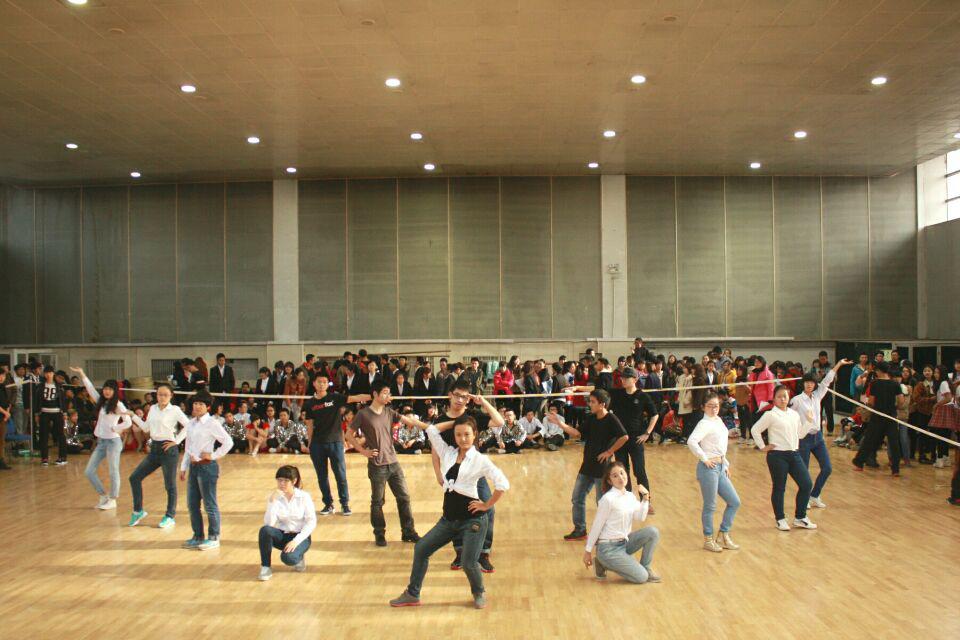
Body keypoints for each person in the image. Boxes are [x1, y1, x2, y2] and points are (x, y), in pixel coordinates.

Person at [389, 414, 509, 609]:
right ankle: (412, 594)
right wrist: (456, 422)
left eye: (467, 434)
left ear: (475, 434)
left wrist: (486, 505)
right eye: (458, 434)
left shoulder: (480, 460)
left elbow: (502, 483)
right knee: (421, 549)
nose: (463, 438)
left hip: (473, 521)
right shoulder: (447, 453)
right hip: (448, 520)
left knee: (468, 563)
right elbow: (432, 430)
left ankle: (479, 592)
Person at [345, 380, 428, 546]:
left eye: (389, 393)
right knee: (377, 502)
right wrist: (363, 452)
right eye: (385, 392)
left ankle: (408, 532)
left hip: (393, 462)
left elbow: (410, 421)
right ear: (375, 394)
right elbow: (348, 435)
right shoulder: (363, 414)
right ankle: (379, 534)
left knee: (404, 497)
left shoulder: (389, 412)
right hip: (377, 465)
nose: (388, 396)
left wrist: (432, 428)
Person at [554, 389, 629, 540]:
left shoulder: (611, 419)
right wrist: (559, 423)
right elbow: (577, 433)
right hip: (587, 466)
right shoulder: (592, 418)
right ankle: (580, 530)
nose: (590, 404)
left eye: (593, 402)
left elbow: (624, 437)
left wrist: (609, 452)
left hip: (602, 469)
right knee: (577, 498)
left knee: (602, 503)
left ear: (602, 404)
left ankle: (607, 533)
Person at [303, 372, 370, 516]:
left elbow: (355, 398)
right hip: (317, 444)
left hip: (336, 443)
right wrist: (310, 443)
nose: (322, 384)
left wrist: (374, 396)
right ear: (314, 383)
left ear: (328, 384)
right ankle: (328, 504)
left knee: (340, 475)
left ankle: (345, 504)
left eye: (324, 382)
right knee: (322, 477)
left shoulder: (335, 398)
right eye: (319, 381)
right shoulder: (309, 404)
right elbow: (309, 424)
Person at [583, 461, 661, 584]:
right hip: (608, 549)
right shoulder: (607, 499)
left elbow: (640, 517)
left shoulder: (630, 496)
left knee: (653, 532)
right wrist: (587, 551)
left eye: (622, 473)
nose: (620, 477)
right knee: (642, 577)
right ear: (610, 481)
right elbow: (596, 526)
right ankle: (602, 562)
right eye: (615, 476)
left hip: (624, 543)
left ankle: (646, 567)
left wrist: (646, 498)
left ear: (626, 474)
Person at [126, 382, 192, 528]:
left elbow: (189, 425)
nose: (162, 397)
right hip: (154, 449)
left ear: (171, 396)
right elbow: (146, 428)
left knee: (170, 485)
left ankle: (170, 516)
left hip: (168, 450)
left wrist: (176, 441)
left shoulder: (175, 410)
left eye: (165, 395)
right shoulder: (153, 409)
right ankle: (138, 511)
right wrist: (133, 416)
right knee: (134, 478)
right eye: (159, 394)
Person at [751, 386, 816, 531]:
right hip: (777, 456)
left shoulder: (794, 414)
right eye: (779, 396)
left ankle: (800, 517)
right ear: (774, 399)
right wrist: (763, 447)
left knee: (806, 484)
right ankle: (780, 519)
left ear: (788, 398)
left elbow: (800, 434)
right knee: (779, 488)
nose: (782, 399)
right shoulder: (770, 415)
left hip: (794, 454)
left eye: (785, 396)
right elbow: (755, 429)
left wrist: (809, 421)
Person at [790, 359, 851, 508]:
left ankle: (814, 495)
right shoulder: (796, 400)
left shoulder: (817, 396)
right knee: (804, 472)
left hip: (817, 438)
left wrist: (839, 365)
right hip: (803, 439)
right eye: (807, 382)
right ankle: (804, 499)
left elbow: (827, 380)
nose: (809, 385)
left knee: (827, 468)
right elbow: (788, 416)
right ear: (803, 384)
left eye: (812, 382)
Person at [71, 368, 132, 509]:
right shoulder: (102, 402)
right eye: (105, 388)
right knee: (89, 471)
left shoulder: (118, 404)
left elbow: (128, 422)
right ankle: (103, 495)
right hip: (101, 442)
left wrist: (115, 428)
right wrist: (82, 374)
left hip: (113, 442)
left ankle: (113, 499)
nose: (107, 391)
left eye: (110, 389)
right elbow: (90, 389)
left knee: (113, 471)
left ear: (115, 391)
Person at [687, 392, 740, 552]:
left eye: (716, 405)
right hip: (708, 468)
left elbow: (720, 446)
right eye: (710, 406)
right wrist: (704, 458)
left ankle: (723, 534)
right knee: (710, 505)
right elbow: (691, 441)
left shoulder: (718, 421)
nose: (714, 409)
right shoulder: (704, 423)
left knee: (734, 502)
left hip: (720, 466)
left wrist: (725, 464)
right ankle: (708, 539)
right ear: (703, 407)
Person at [180, 392, 233, 550]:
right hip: (194, 467)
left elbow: (228, 442)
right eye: (195, 403)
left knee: (209, 504)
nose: (197, 406)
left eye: (201, 404)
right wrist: (183, 467)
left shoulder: (212, 423)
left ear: (208, 407)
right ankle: (197, 536)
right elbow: (188, 446)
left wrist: (213, 455)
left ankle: (214, 537)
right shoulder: (191, 423)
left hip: (207, 467)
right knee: (192, 504)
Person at [258, 465, 317, 581]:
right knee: (265, 530)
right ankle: (265, 567)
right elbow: (269, 523)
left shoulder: (304, 497)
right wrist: (272, 502)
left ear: (294, 481)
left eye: (285, 480)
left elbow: (311, 522)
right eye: (279, 480)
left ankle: (299, 556)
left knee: (288, 558)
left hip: (301, 537)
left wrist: (295, 541)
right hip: (283, 535)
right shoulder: (275, 497)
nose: (282, 484)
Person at [609, 367, 658, 497]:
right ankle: (627, 499)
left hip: (636, 440)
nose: (623, 380)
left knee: (639, 471)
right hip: (620, 439)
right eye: (622, 378)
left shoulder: (643, 396)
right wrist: (577, 387)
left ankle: (645, 501)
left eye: (626, 378)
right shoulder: (617, 394)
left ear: (635, 379)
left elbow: (655, 415)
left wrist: (647, 433)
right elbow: (599, 390)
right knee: (622, 471)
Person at [853, 361, 902, 476]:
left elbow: (871, 401)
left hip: (877, 416)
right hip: (891, 416)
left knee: (869, 439)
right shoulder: (895, 384)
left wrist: (871, 406)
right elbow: (900, 400)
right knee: (894, 442)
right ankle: (895, 469)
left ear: (879, 371)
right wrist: (894, 408)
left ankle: (859, 463)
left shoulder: (874, 383)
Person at [34, 365, 69, 466]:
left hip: (57, 412)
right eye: (46, 373)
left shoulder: (59, 386)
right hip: (44, 412)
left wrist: (65, 413)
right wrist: (36, 414)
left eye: (50, 373)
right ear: (44, 374)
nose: (48, 375)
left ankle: (62, 457)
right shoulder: (40, 386)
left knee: (60, 435)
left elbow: (63, 400)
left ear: (53, 374)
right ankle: (44, 458)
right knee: (43, 435)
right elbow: (37, 401)